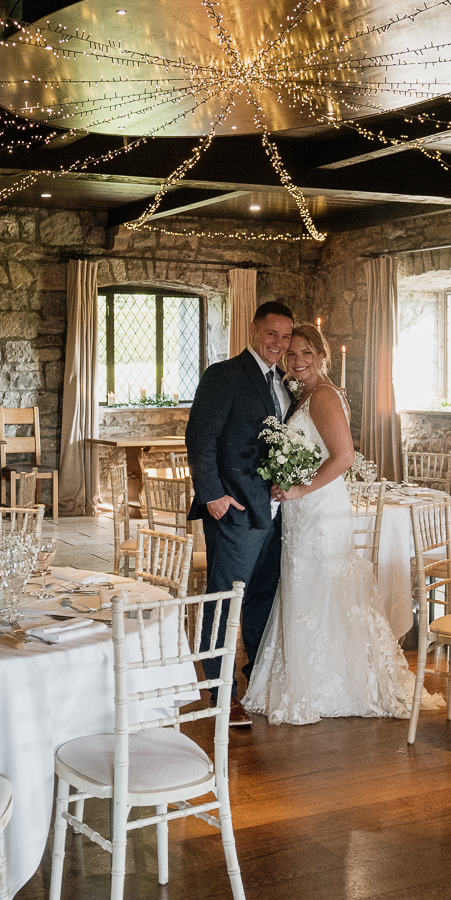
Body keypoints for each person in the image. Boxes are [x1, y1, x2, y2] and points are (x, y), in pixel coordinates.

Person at [242, 324, 413, 725]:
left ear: (321, 355)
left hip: (318, 509)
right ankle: (310, 676)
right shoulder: (307, 394)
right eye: (292, 354)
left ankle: (330, 685)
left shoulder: (323, 396)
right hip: (304, 510)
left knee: (319, 585)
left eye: (305, 353)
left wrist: (300, 489)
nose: (296, 359)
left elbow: (344, 458)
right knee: (307, 587)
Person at [186, 301, 295, 729]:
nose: (279, 344)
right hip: (233, 509)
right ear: (254, 330)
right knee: (224, 602)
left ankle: (257, 683)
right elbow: (200, 437)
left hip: (275, 511)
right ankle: (220, 693)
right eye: (272, 334)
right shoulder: (224, 374)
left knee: (262, 600)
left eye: (286, 337)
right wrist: (212, 495)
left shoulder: (286, 382)